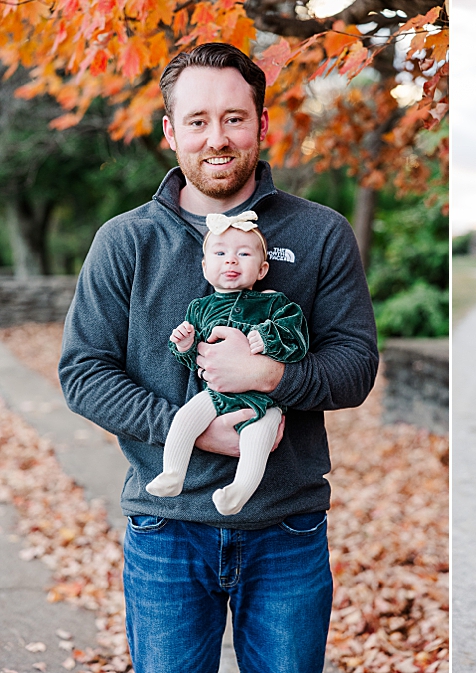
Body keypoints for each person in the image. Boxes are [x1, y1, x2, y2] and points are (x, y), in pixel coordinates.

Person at [58, 43, 378, 673]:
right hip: (165, 530)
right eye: (198, 121)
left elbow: (355, 366)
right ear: (171, 131)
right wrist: (196, 432)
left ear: (261, 124)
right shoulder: (126, 241)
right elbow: (84, 372)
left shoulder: (319, 233)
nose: (217, 138)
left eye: (234, 118)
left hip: (287, 529)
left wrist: (270, 376)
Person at [147, 214, 310, 516]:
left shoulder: (274, 304)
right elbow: (193, 358)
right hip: (216, 392)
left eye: (243, 254)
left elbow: (297, 341)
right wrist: (184, 344)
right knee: (185, 418)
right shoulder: (200, 307)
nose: (231, 261)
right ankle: (172, 473)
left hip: (264, 400)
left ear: (262, 269)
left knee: (258, 439)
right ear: (206, 267)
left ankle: (239, 491)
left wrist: (268, 336)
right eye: (220, 254)